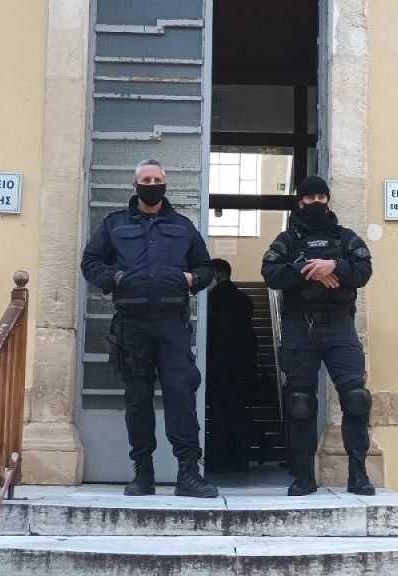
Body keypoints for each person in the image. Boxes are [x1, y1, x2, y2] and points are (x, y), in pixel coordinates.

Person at [80, 159, 218, 498]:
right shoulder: (114, 224)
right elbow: (90, 262)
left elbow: (205, 267)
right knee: (138, 400)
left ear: (165, 184)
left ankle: (188, 473)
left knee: (181, 395)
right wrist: (115, 278)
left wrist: (192, 278)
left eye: (157, 180)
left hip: (173, 324)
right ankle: (143, 474)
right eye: (146, 179)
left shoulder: (182, 226)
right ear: (135, 185)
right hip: (133, 325)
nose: (152, 184)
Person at [260, 176, 375, 497]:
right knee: (300, 402)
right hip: (301, 327)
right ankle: (303, 476)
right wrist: (309, 269)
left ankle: (358, 474)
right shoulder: (287, 240)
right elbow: (270, 273)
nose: (316, 202)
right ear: (300, 202)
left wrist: (334, 265)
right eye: (310, 198)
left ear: (328, 199)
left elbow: (364, 271)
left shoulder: (346, 238)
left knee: (356, 398)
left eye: (321, 197)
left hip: (339, 326)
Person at [205, 258, 257, 473]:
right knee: (238, 411)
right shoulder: (244, 300)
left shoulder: (211, 300)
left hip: (219, 364)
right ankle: (241, 458)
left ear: (220, 274)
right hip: (243, 365)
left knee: (218, 412)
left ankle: (218, 458)